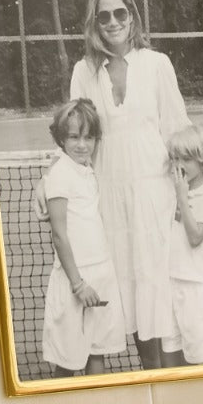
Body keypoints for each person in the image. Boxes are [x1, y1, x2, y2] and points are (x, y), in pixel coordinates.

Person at [69, 0, 190, 370]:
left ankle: (173, 381)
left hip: (156, 196)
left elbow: (177, 132)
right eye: (104, 16)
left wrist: (188, 196)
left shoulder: (157, 65)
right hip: (110, 200)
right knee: (130, 293)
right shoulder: (83, 72)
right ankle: (151, 376)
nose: (113, 22)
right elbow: (77, 139)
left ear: (132, 17)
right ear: (94, 22)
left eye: (120, 13)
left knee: (161, 289)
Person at [39, 98, 126, 377]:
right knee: (67, 362)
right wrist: (78, 285)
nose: (82, 145)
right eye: (74, 137)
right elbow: (59, 236)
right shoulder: (59, 175)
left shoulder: (89, 171)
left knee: (97, 351)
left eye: (89, 137)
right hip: (74, 281)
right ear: (61, 139)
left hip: (102, 273)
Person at [162, 123, 203, 367]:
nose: (179, 164)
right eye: (176, 158)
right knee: (174, 356)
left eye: (187, 159)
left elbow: (195, 236)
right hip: (171, 285)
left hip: (197, 290)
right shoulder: (173, 190)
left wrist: (181, 198)